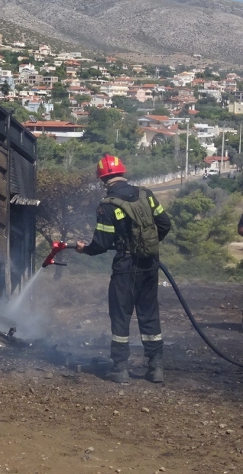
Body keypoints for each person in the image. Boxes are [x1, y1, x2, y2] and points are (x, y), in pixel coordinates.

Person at [75, 155, 172, 384]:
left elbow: (102, 244)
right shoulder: (146, 194)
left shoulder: (107, 205)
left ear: (102, 179)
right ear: (122, 173)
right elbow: (165, 224)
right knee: (149, 313)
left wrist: (84, 249)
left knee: (121, 315)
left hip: (125, 267)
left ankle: (120, 369)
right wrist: (148, 247)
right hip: (150, 264)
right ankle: (156, 367)